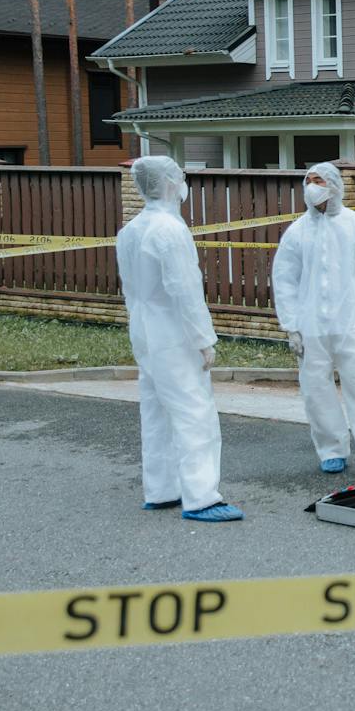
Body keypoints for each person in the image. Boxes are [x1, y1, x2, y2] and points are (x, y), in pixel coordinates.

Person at [116, 156, 243, 522]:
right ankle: (202, 497)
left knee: (155, 411)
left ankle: (161, 489)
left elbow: (131, 290)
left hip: (144, 330)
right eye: (181, 177)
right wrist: (204, 339)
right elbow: (185, 290)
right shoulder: (170, 231)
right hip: (174, 334)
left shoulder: (131, 230)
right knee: (194, 413)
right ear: (171, 183)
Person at [272, 162, 355, 473]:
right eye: (309, 180)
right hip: (311, 328)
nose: (313, 186)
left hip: (350, 324)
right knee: (316, 391)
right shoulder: (297, 232)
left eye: (320, 180)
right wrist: (291, 326)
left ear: (335, 185)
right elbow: (284, 279)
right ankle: (331, 450)